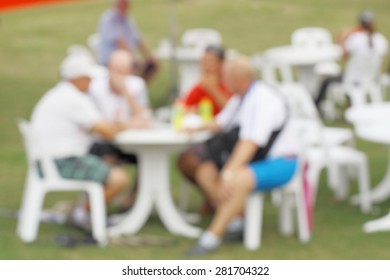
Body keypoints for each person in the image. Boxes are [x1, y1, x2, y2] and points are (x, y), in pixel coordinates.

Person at [185, 55, 300, 256]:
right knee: (204, 170)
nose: (224, 81)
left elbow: (251, 141)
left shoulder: (261, 98)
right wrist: (194, 125)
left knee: (236, 178)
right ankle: (237, 220)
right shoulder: (241, 97)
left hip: (282, 162)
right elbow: (221, 123)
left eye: (226, 77)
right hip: (257, 160)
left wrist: (229, 171)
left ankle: (212, 237)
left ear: (236, 78)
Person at [30, 54, 134, 229]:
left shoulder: (60, 94)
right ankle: (82, 214)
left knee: (106, 160)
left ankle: (89, 214)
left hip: (49, 160)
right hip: (61, 162)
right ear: (77, 78)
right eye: (88, 78)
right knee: (119, 179)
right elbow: (107, 131)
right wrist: (128, 125)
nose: (91, 82)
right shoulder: (73, 98)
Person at [89, 49, 151, 209]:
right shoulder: (95, 88)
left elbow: (145, 119)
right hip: (103, 142)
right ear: (108, 68)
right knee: (105, 156)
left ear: (130, 71)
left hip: (131, 144)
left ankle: (132, 201)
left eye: (123, 71)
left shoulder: (137, 85)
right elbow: (100, 128)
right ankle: (96, 205)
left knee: (149, 157)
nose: (118, 76)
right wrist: (128, 125)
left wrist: (126, 92)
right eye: (115, 70)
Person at [177, 45, 232, 214]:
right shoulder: (201, 85)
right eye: (204, 62)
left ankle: (221, 204)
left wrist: (213, 90)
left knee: (194, 161)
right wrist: (188, 111)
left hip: (225, 140)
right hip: (202, 138)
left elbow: (232, 111)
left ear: (222, 63)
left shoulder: (229, 83)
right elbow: (182, 105)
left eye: (211, 62)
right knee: (184, 161)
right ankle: (211, 197)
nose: (207, 66)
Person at [315, 10, 388, 108]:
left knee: (326, 80)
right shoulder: (381, 40)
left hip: (353, 80)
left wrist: (343, 38)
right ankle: (350, 103)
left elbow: (343, 56)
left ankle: (316, 105)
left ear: (360, 23)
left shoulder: (355, 39)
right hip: (371, 79)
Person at [98, 0, 158, 82]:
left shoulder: (127, 19)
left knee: (152, 65)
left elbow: (138, 39)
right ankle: (131, 87)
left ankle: (139, 86)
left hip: (127, 57)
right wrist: (134, 59)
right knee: (137, 67)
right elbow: (120, 42)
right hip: (111, 59)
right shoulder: (109, 19)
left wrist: (149, 56)